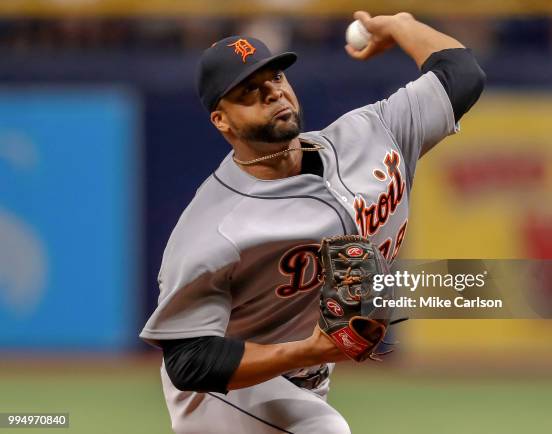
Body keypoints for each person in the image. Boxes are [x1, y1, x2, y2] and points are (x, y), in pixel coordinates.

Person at [140, 10, 485, 434]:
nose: (273, 94)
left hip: (303, 381)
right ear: (221, 120)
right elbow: (187, 362)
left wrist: (398, 25)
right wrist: (311, 349)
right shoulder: (214, 230)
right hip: (223, 391)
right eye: (249, 92)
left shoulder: (374, 133)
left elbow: (461, 74)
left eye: (276, 78)